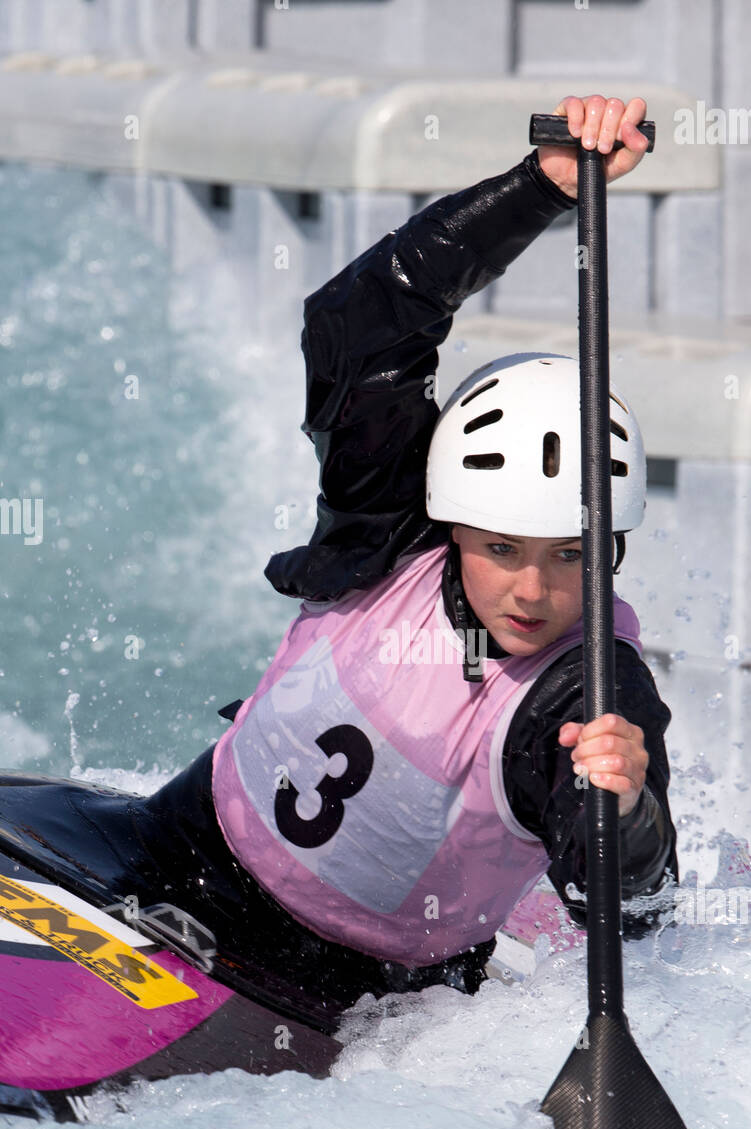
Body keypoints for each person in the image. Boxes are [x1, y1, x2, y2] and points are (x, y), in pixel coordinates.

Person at [0, 95, 676, 1040]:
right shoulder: (394, 526)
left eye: (569, 558)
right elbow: (361, 324)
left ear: (611, 551)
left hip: (340, 1005)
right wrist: (536, 191)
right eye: (501, 550)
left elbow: (632, 909)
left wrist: (627, 810)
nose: (532, 591)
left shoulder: (585, 693)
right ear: (453, 521)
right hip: (166, 851)